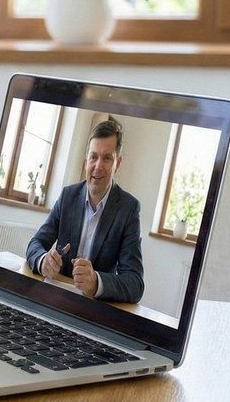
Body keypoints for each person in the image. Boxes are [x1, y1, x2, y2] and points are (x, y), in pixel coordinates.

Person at [25, 118, 145, 303]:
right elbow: (36, 243)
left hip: (95, 308)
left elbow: (135, 284)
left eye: (107, 158)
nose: (98, 166)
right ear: (86, 161)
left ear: (118, 164)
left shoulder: (128, 209)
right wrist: (43, 261)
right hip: (58, 297)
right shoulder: (68, 196)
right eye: (94, 157)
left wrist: (96, 283)